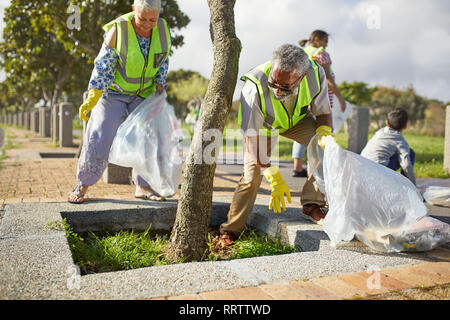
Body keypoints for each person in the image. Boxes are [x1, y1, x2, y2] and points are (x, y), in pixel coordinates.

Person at [217, 44, 334, 246]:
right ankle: (231, 230)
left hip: (296, 120)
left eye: (285, 86)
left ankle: (312, 204)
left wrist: (324, 135)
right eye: (274, 83)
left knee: (324, 148)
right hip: (263, 127)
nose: (277, 90)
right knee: (252, 176)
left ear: (302, 77)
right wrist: (269, 171)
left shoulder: (315, 74)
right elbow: (251, 137)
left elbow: (323, 112)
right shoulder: (253, 87)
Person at [68, 0, 171, 203]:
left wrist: (160, 87)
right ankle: (83, 184)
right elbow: (104, 66)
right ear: (134, 9)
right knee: (101, 134)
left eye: (153, 19)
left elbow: (163, 60)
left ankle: (143, 186)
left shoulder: (163, 30)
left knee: (148, 137)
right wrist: (93, 95)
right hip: (113, 92)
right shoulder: (118, 29)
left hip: (143, 93)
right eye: (142, 18)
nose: (147, 23)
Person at [291, 30, 346, 178]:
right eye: (325, 40)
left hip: (303, 100)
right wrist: (340, 98)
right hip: (320, 100)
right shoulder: (322, 54)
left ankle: (297, 166)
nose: (326, 43)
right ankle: (321, 170)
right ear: (316, 39)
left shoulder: (303, 52)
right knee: (325, 132)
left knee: (302, 132)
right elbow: (328, 79)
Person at [361, 108, 416, 185]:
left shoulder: (379, 133)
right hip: (380, 174)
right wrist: (413, 185)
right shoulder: (400, 141)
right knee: (411, 153)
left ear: (386, 122)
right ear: (405, 126)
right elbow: (406, 165)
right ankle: (405, 185)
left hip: (362, 169)